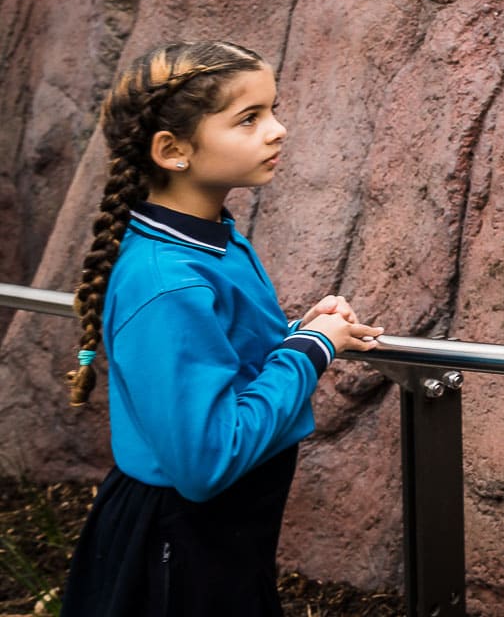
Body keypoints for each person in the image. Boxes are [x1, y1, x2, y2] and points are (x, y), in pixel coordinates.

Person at [59, 41, 383, 617]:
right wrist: (310, 349)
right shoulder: (169, 280)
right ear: (173, 150)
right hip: (174, 557)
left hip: (221, 542)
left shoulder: (209, 240)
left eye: (274, 110)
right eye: (249, 119)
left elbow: (216, 357)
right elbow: (207, 458)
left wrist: (293, 333)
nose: (278, 130)